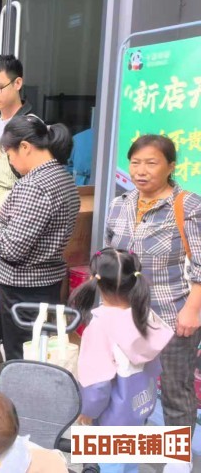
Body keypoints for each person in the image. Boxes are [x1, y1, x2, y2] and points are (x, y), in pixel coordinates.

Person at [105, 134, 201, 443]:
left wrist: (192, 310)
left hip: (172, 315)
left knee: (175, 389)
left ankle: (177, 458)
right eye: (135, 163)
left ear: (171, 166)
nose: (141, 171)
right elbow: (110, 257)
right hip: (126, 314)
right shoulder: (120, 205)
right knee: (127, 385)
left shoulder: (188, 205)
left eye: (151, 163)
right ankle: (127, 448)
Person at [0, 115, 79, 361]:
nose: (11, 162)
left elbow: (11, 249)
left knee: (20, 352)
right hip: (46, 281)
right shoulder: (63, 177)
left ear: (24, 147)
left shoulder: (34, 185)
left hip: (21, 286)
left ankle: (17, 386)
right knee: (37, 348)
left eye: (9, 155)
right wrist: (6, 216)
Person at [72, 248, 173, 473]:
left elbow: (97, 385)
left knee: (107, 466)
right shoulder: (145, 315)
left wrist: (87, 411)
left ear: (95, 280)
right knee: (129, 464)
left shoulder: (100, 326)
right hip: (139, 409)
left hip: (110, 419)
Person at [0, 55, 35, 365]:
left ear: (18, 83)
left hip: (14, 211)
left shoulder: (32, 125)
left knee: (6, 282)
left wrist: (8, 210)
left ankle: (15, 356)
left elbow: (34, 177)